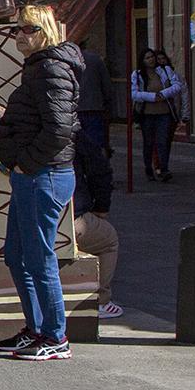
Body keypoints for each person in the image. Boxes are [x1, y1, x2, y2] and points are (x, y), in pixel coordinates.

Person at [0, 5, 82, 361]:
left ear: (43, 30)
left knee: (38, 257)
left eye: (25, 29)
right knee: (18, 254)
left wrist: (26, 164)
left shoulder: (50, 69)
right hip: (35, 175)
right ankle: (38, 328)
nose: (18, 36)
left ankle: (55, 335)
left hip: (43, 175)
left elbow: (60, 128)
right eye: (17, 29)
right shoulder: (41, 68)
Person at [71, 129, 122, 320]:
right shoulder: (74, 134)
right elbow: (100, 172)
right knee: (108, 240)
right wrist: (101, 207)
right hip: (70, 215)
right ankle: (101, 300)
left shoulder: (21, 127)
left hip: (25, 216)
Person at [129, 47, 183, 182]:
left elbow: (177, 85)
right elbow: (134, 94)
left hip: (164, 113)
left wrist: (163, 94)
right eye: (147, 58)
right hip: (147, 114)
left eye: (152, 57)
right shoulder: (137, 74)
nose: (151, 60)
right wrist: (153, 97)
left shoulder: (165, 70)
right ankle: (149, 168)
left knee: (163, 141)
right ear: (143, 60)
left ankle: (164, 168)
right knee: (148, 142)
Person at [74, 38, 115, 164]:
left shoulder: (61, 60)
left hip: (73, 111)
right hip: (94, 109)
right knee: (95, 147)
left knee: (75, 150)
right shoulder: (95, 60)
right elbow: (107, 87)